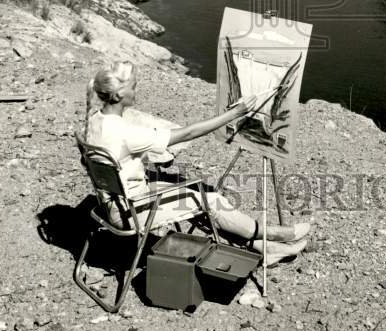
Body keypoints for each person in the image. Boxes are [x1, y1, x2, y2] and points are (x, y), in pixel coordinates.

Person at [83, 62, 311, 265]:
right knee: (210, 200)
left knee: (192, 192)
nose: (136, 91)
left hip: (113, 202)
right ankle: (272, 234)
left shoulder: (93, 121)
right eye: (133, 86)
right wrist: (235, 113)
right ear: (118, 95)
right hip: (132, 211)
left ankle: (262, 246)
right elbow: (188, 133)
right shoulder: (125, 132)